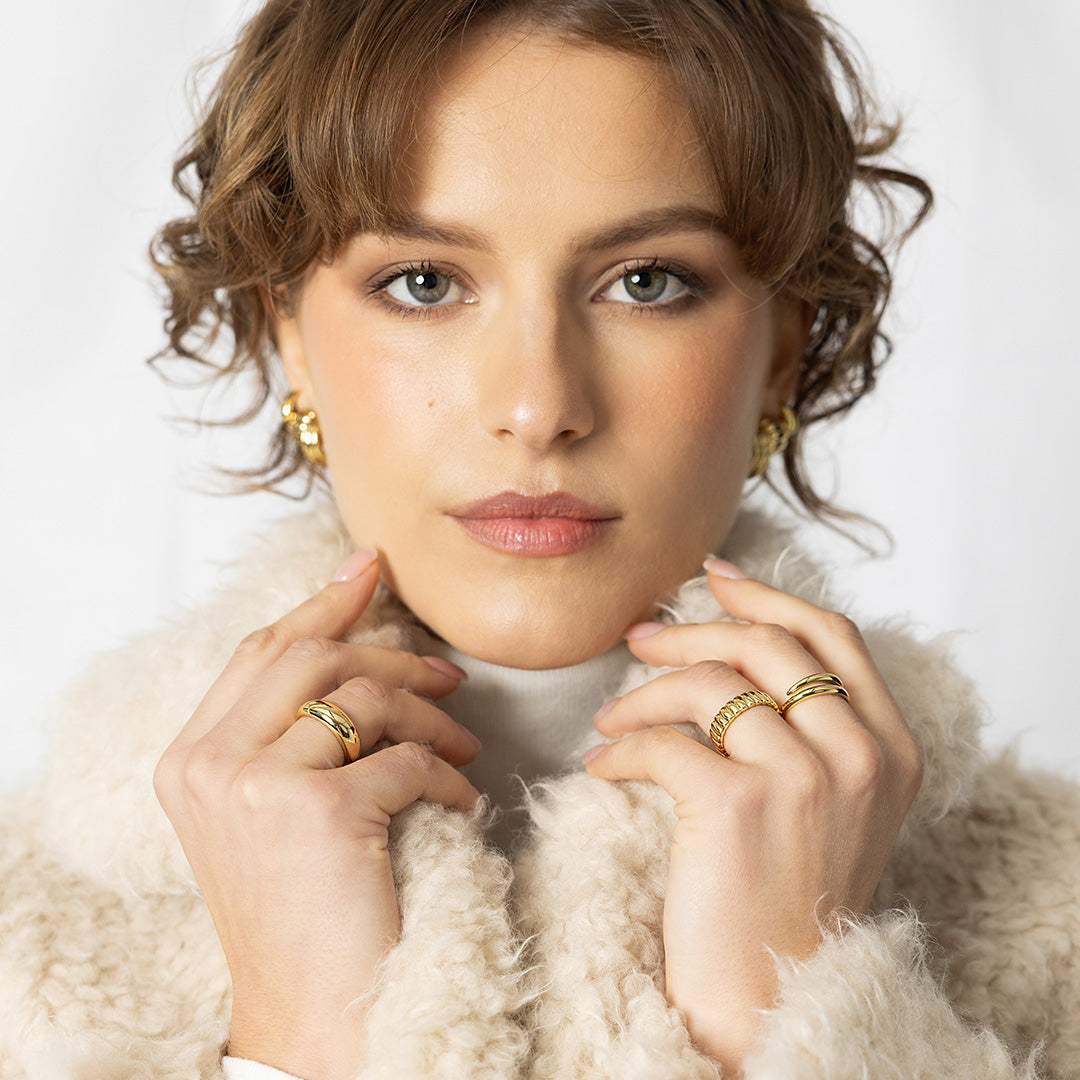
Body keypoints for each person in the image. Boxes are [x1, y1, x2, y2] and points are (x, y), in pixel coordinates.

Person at [1, 1, 1077, 1078]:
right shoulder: (25, 928)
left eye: (646, 281)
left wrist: (795, 1013)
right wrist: (294, 1041)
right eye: (423, 282)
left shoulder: (1056, 919)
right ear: (287, 330)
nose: (537, 403)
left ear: (783, 350)